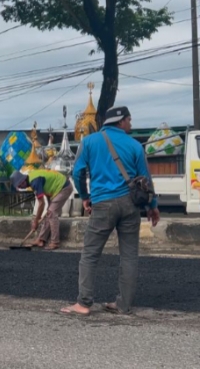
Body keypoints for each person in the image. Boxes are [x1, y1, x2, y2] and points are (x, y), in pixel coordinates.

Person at [60, 106, 160, 316]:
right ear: (121, 121)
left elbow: (77, 172)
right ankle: (123, 305)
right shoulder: (134, 145)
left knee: (90, 254)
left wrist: (85, 197)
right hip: (130, 204)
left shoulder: (89, 142)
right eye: (129, 120)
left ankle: (84, 303)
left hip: (103, 203)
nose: (131, 124)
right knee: (129, 256)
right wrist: (153, 206)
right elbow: (145, 180)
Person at [10, 168, 74, 250]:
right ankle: (40, 240)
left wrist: (36, 220)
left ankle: (55, 242)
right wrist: (37, 219)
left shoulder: (35, 181)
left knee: (51, 213)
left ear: (22, 182)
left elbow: (41, 203)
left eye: (19, 186)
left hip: (63, 187)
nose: (20, 188)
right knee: (49, 213)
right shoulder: (32, 178)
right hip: (54, 189)